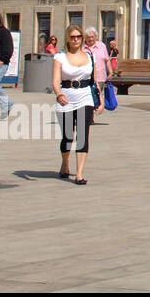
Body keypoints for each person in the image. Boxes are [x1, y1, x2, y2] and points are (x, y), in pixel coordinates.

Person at [53, 25, 101, 184]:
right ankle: (65, 163)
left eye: (78, 37)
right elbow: (55, 81)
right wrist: (58, 94)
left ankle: (79, 173)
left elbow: (94, 80)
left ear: (82, 38)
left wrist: (99, 100)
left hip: (85, 96)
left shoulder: (89, 55)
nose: (75, 39)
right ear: (68, 38)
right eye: (72, 37)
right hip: (66, 96)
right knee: (67, 136)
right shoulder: (60, 57)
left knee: (83, 134)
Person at [83, 28, 110, 122]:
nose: (90, 39)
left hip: (100, 75)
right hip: (87, 77)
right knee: (88, 96)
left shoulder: (101, 46)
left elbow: (107, 60)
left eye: (92, 37)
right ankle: (90, 117)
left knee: (97, 95)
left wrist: (110, 72)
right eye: (88, 37)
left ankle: (92, 113)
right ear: (85, 38)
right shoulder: (82, 47)